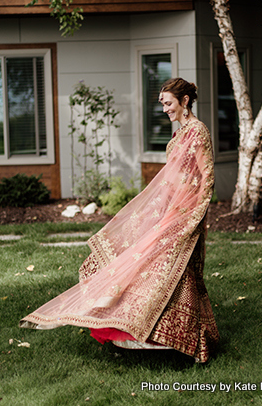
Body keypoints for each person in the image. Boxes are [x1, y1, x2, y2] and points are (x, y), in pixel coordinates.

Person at [20, 77, 219, 363]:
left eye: (168, 103)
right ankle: (147, 334)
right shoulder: (178, 135)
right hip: (168, 213)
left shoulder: (198, 132)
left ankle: (181, 339)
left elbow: (207, 176)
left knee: (176, 270)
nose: (164, 110)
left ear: (185, 101)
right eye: (162, 104)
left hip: (186, 214)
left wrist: (193, 215)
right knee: (148, 265)